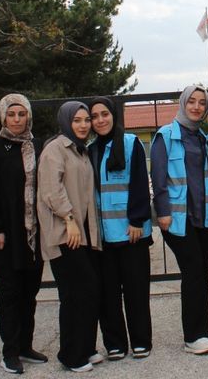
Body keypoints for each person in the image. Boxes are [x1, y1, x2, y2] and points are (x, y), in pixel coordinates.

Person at [0, 93, 47, 374]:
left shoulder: (39, 146)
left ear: (28, 116)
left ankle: (25, 346)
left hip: (34, 234)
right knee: (9, 294)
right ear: (3, 117)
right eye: (12, 114)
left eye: (22, 114)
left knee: (30, 292)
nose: (17, 119)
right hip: (7, 235)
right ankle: (9, 352)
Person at [151, 85, 208, 355]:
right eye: (192, 101)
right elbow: (158, 177)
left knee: (203, 273)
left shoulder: (202, 137)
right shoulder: (165, 136)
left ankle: (204, 329)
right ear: (182, 103)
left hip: (203, 216)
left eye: (202, 103)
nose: (197, 107)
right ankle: (193, 336)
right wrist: (163, 211)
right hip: (177, 218)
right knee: (193, 272)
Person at [87, 96, 153, 360]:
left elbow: (139, 181)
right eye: (95, 116)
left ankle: (141, 341)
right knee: (108, 293)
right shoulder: (91, 149)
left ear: (113, 116)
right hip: (103, 235)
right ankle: (114, 343)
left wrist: (137, 220)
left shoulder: (130, 143)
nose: (100, 120)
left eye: (104, 114)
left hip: (130, 232)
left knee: (136, 290)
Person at [38, 102, 103, 373]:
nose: (83, 125)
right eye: (77, 120)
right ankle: (71, 355)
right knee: (77, 293)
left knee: (86, 292)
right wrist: (69, 220)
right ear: (66, 121)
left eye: (86, 120)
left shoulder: (81, 151)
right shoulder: (55, 149)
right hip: (66, 234)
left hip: (84, 234)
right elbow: (52, 190)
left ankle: (86, 348)